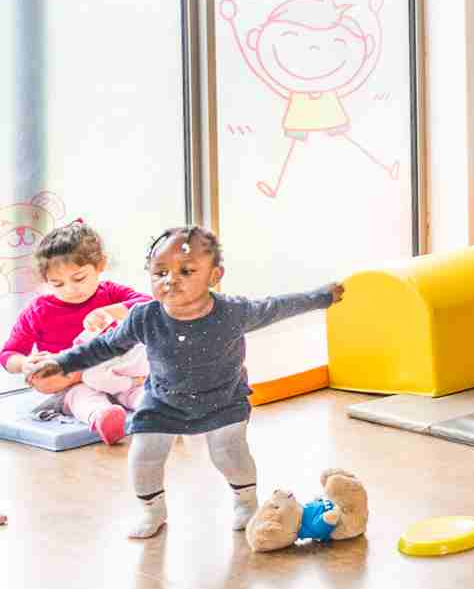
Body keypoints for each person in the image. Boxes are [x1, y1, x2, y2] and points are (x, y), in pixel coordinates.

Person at [22, 227, 340, 539]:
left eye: (186, 271)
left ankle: (245, 501)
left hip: (223, 400)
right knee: (143, 454)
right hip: (162, 401)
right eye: (160, 272)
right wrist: (62, 362)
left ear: (214, 275)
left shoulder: (233, 311)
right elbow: (104, 346)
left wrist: (322, 297)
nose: (171, 280)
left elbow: (277, 306)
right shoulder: (144, 316)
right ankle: (152, 510)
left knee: (229, 454)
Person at [2, 220, 149, 445]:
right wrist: (24, 364)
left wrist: (111, 311)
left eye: (79, 278)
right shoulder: (38, 310)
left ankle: (161, 414)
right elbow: (8, 354)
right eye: (57, 284)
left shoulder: (111, 293)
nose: (70, 290)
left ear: (100, 265)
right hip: (71, 383)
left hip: (117, 374)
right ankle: (103, 418)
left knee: (138, 394)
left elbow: (150, 305)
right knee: (82, 398)